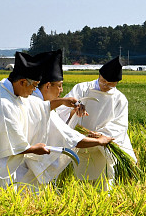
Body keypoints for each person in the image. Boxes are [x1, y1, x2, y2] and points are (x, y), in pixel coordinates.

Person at [0, 52, 78, 192]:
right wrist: (34, 149)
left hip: (0, 161)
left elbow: (37, 107)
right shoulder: (2, 103)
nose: (34, 90)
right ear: (22, 82)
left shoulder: (10, 90)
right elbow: (13, 143)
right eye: (34, 85)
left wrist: (62, 102)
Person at [28, 50, 113, 186]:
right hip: (26, 172)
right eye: (60, 85)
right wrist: (100, 140)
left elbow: (47, 108)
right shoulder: (37, 104)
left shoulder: (32, 99)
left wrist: (63, 103)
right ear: (48, 85)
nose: (61, 90)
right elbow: (69, 137)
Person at [57, 56, 134, 189]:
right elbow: (61, 112)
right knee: (75, 185)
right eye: (103, 81)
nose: (105, 86)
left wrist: (100, 135)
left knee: (103, 186)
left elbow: (120, 125)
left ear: (117, 82)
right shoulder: (82, 89)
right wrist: (74, 109)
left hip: (102, 148)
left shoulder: (120, 99)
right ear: (99, 75)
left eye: (110, 84)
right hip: (79, 144)